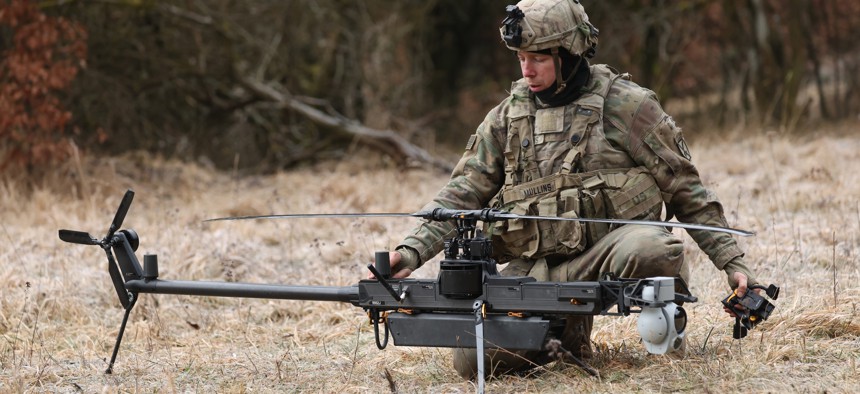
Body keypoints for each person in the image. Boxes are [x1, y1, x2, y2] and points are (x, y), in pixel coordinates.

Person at [384, 0, 762, 379]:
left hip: (609, 255)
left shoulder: (627, 105)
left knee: (653, 249)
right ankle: (563, 332)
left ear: (568, 54)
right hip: (537, 273)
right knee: (474, 363)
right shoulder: (506, 118)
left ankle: (664, 322)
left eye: (538, 58)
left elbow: (685, 188)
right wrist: (411, 251)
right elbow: (462, 193)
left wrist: (733, 264)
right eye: (520, 58)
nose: (527, 70)